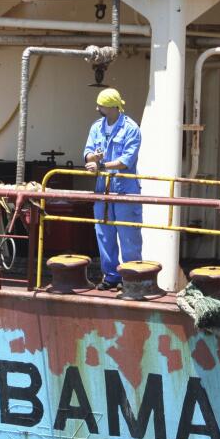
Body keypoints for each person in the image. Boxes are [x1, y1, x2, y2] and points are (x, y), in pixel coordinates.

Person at [83, 88, 143, 290]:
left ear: (110, 106)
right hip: (102, 190)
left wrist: (102, 166)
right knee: (104, 233)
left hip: (125, 190)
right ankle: (111, 276)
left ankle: (131, 278)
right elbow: (88, 153)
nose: (97, 108)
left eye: (100, 105)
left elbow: (127, 161)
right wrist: (94, 158)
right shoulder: (96, 127)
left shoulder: (131, 128)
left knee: (129, 235)